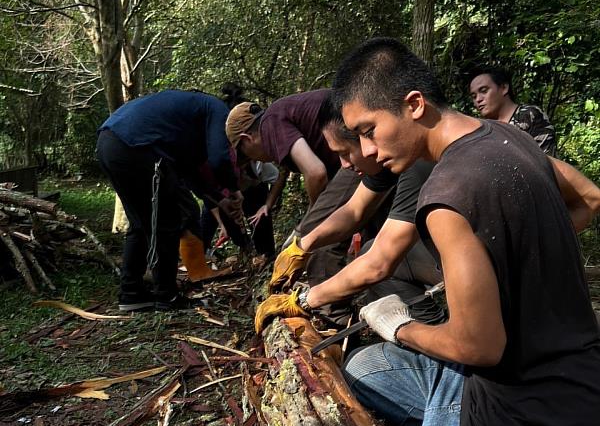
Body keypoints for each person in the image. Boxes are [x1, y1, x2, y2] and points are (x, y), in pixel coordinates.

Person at [318, 37, 599, 426]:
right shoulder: (507, 137)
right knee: (367, 369)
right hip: (553, 382)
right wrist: (512, 262)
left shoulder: (446, 194)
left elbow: (478, 347)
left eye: (370, 131)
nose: (368, 153)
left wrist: (399, 326)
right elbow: (589, 197)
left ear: (415, 104)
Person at [258, 99, 444, 329]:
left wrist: (303, 300)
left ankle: (438, 337)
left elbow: (380, 263)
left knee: (379, 258)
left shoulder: (415, 165)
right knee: (368, 251)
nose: (344, 164)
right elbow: (353, 210)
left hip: (484, 273)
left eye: (345, 153)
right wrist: (302, 246)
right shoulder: (384, 164)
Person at [96, 89, 244, 311]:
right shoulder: (217, 109)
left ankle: (132, 294)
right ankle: (167, 295)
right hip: (137, 148)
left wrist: (218, 199)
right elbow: (219, 158)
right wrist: (233, 189)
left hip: (108, 143)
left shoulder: (185, 120)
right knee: (168, 221)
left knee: (140, 223)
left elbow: (190, 173)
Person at [226, 90, 366, 298]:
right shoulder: (282, 114)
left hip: (359, 153)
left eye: (245, 155)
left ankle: (331, 315)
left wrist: (313, 214)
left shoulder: (270, 124)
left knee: (318, 236)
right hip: (364, 147)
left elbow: (315, 173)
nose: (254, 161)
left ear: (247, 138)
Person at [469, 65, 557, 154]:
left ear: (504, 88)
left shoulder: (529, 115)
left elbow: (546, 160)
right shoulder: (482, 129)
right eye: (474, 96)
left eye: (484, 91)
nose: (478, 99)